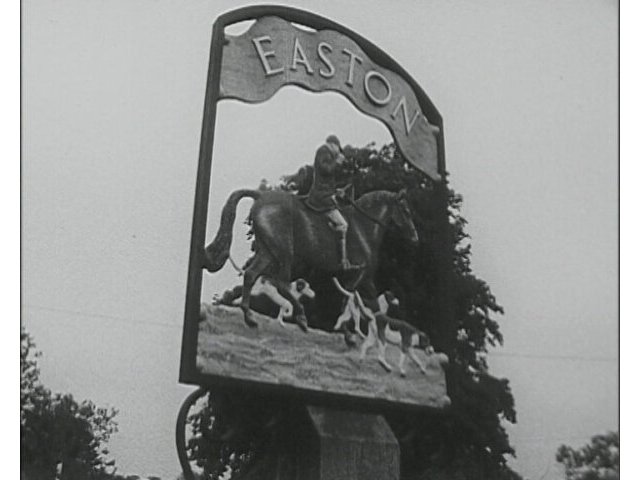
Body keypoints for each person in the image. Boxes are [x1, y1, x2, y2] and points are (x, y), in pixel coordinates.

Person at [306, 135, 361, 271]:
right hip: (321, 196)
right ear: (333, 145)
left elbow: (328, 178)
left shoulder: (328, 153)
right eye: (337, 148)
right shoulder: (324, 151)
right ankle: (343, 262)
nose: (338, 151)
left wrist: (338, 190)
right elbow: (325, 169)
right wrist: (336, 162)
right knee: (343, 224)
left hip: (325, 194)